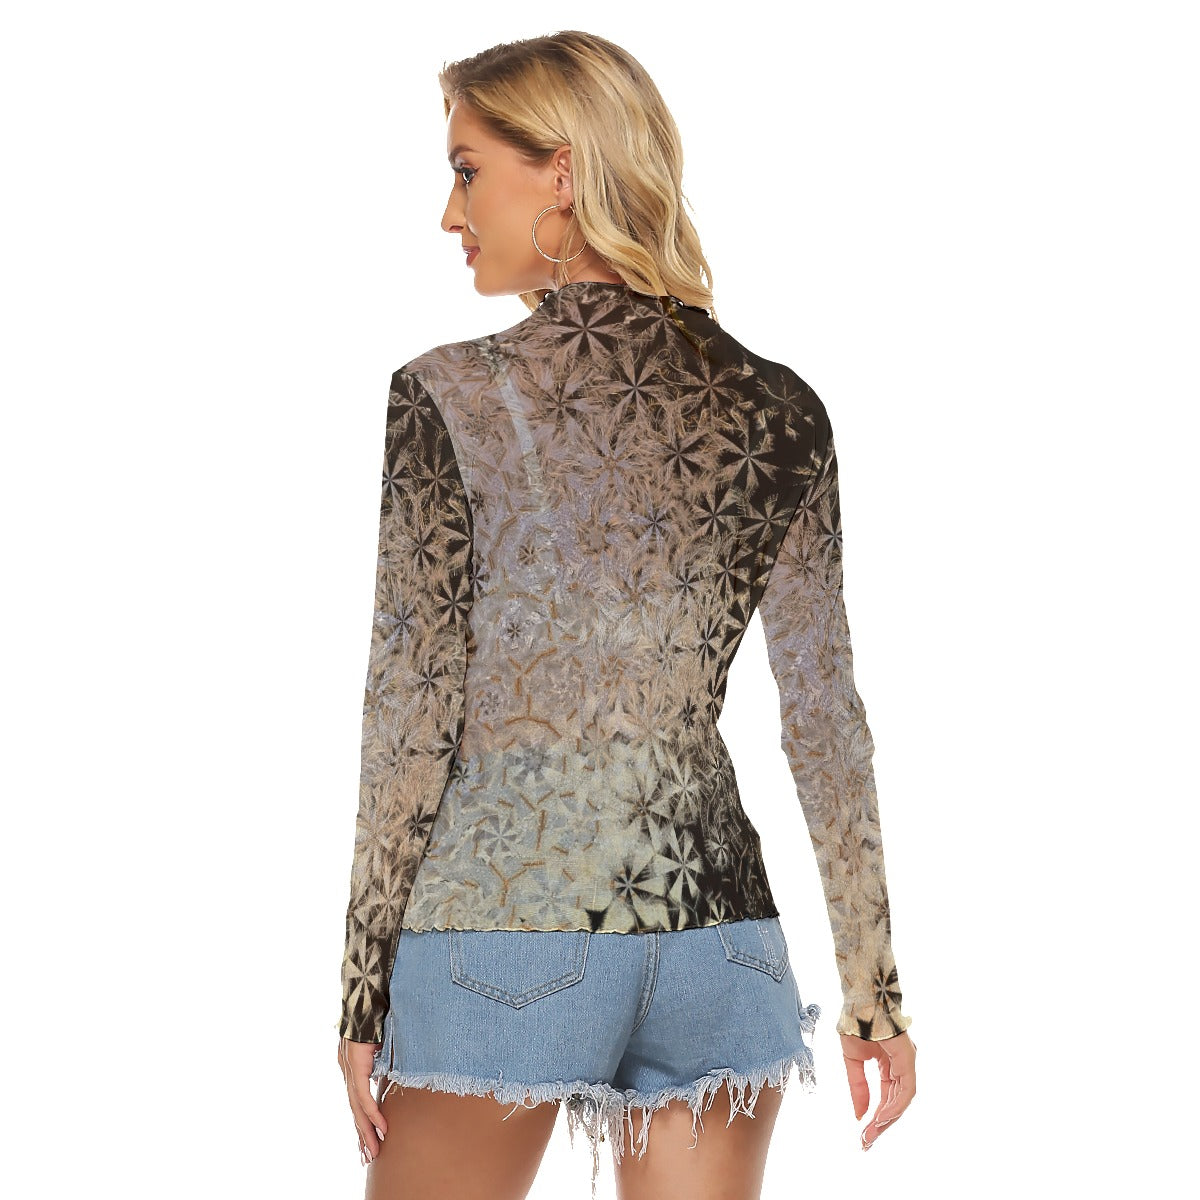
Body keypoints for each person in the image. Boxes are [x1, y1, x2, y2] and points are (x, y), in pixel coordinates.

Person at [336, 29, 917, 1200]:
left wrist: (360, 994)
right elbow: (824, 719)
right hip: (722, 944)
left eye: (466, 171)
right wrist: (875, 992)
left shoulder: (449, 395)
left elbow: (411, 714)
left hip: (506, 933)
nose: (451, 215)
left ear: (561, 171)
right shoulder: (782, 409)